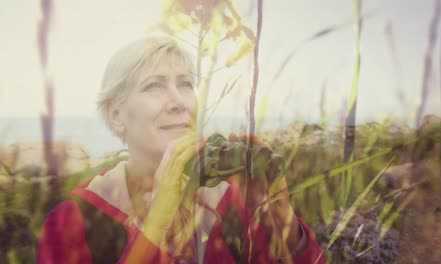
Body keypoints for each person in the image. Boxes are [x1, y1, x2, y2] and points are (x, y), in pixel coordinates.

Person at [36, 37, 326, 263]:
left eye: (185, 84)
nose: (180, 102)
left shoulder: (229, 200)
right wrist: (155, 224)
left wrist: (286, 230)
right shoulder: (72, 221)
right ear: (116, 115)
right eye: (154, 86)